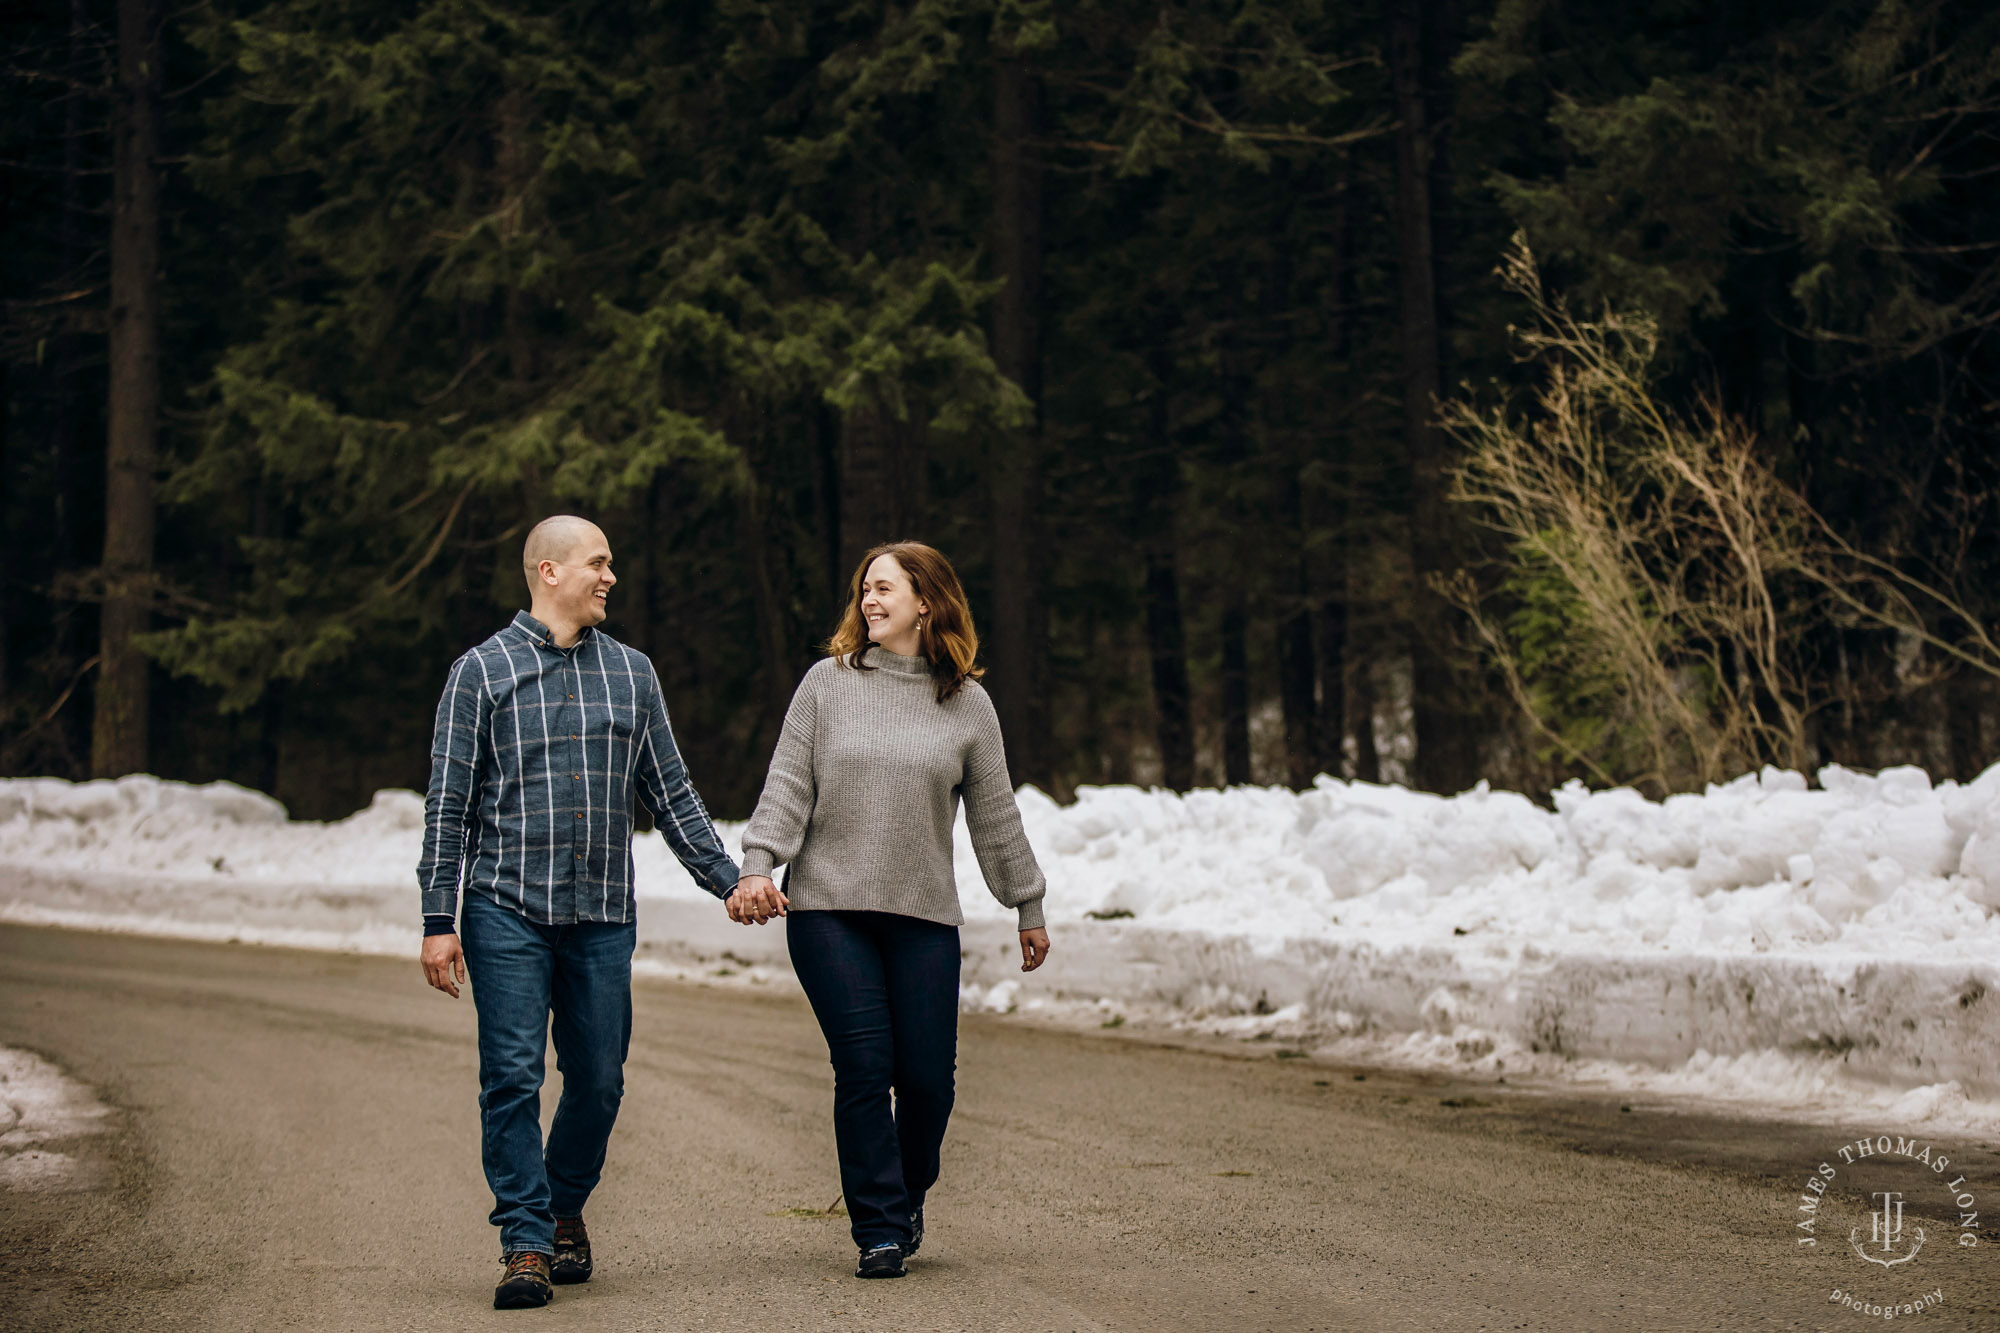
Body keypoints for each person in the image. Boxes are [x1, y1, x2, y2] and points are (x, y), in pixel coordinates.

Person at [417, 515, 740, 1310]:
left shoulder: (632, 673)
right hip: (504, 909)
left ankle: (563, 1203)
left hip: (601, 913)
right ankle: (527, 1240)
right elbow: (447, 807)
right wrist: (437, 917)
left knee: (598, 1080)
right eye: (598, 563)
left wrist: (727, 879)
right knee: (513, 1078)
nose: (610, 577)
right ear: (547, 571)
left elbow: (672, 792)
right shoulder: (480, 673)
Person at [729, 540, 1051, 1280]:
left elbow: (995, 817)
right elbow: (787, 787)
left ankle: (908, 1195)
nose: (869, 601)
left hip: (923, 916)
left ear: (925, 601)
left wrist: (1026, 903)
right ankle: (877, 1225)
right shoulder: (826, 684)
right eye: (865, 589)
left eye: (884, 589)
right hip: (829, 911)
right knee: (866, 1066)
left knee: (931, 1079)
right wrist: (757, 864)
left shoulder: (966, 701)